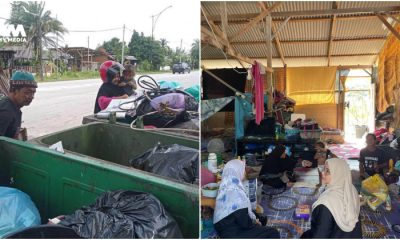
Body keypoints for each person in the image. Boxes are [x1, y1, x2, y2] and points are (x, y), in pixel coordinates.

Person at [213, 160, 280, 239]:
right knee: (273, 233)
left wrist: (255, 219)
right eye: (243, 170)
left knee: (262, 217)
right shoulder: (235, 193)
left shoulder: (227, 184)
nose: (244, 173)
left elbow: (240, 215)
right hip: (232, 233)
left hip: (227, 223)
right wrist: (254, 222)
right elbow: (244, 223)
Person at [300, 158, 362, 239]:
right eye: (324, 170)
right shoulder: (351, 188)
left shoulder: (326, 203)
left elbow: (320, 235)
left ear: (338, 174)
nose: (322, 173)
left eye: (328, 171)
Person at [0, 70, 37, 139]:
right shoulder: (6, 112)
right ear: (14, 91)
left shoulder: (15, 107)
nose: (32, 96)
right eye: (28, 92)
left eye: (33, 93)